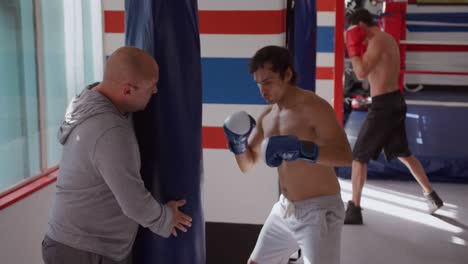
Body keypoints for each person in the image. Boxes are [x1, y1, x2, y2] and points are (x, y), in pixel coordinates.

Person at [42, 46, 193, 264]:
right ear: (127, 90)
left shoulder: (90, 99)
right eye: (151, 87)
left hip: (77, 245)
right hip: (84, 251)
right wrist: (167, 218)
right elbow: (134, 202)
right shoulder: (110, 131)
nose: (155, 91)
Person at [223, 45, 353, 264]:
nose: (262, 90)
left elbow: (345, 156)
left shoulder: (314, 107)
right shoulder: (267, 115)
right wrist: (237, 145)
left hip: (319, 211)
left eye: (268, 82)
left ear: (288, 74)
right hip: (285, 208)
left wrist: (303, 150)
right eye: (258, 84)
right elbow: (248, 164)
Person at [343, 8, 444, 225]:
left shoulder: (377, 41)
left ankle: (354, 209)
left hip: (384, 107)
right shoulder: (384, 39)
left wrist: (352, 48)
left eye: (352, 29)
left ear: (359, 26)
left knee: (358, 157)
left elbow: (360, 73)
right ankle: (432, 196)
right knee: (403, 153)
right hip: (393, 102)